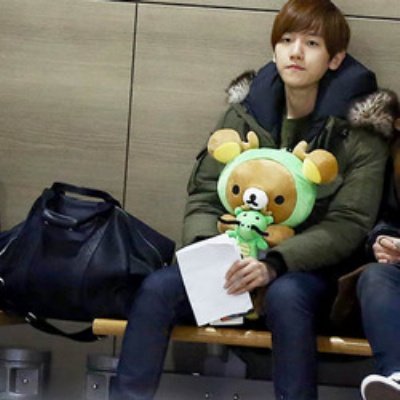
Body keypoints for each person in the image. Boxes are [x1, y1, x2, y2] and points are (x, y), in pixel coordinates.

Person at [110, 1, 388, 399]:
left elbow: (349, 222)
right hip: (233, 258)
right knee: (158, 288)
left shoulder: (360, 132)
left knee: (287, 296)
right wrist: (213, 252)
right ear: (274, 49)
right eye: (286, 40)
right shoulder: (244, 115)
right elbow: (205, 194)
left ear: (335, 58)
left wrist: (275, 263)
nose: (295, 52)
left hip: (311, 272)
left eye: (311, 43)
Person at [355, 91, 400, 400]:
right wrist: (382, 241)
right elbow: (385, 217)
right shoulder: (391, 157)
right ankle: (396, 375)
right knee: (375, 277)